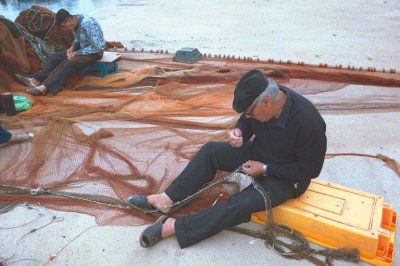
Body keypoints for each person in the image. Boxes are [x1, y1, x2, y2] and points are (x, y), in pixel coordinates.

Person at [128, 69, 327, 249]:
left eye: (250, 113)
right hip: (259, 152)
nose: (248, 116)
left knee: (240, 203)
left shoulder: (309, 123)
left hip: (286, 177)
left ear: (266, 102)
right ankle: (168, 198)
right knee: (211, 151)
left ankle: (175, 227)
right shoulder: (267, 98)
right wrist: (240, 132)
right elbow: (247, 120)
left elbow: (309, 169)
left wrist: (265, 169)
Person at [21, 8, 105, 96]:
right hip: (83, 49)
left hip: (95, 53)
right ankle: (36, 79)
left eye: (64, 26)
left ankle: (45, 87)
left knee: (70, 63)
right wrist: (72, 47)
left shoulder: (88, 24)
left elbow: (97, 46)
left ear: (68, 20)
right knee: (56, 57)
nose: (64, 29)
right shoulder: (76, 21)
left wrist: (77, 53)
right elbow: (78, 39)